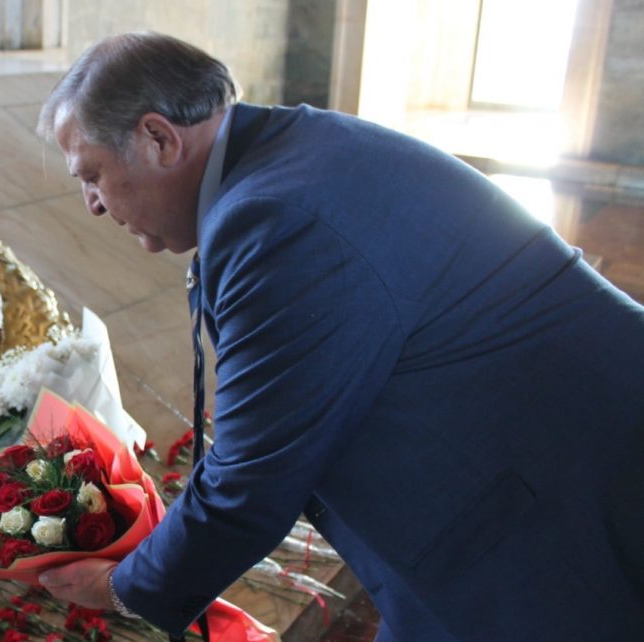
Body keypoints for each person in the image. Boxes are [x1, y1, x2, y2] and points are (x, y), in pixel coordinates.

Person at [34, 31, 644, 641]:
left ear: (159, 139)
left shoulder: (271, 219)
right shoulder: (286, 153)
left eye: (92, 175)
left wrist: (122, 587)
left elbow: (251, 479)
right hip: (513, 485)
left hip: (557, 521)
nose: (92, 204)